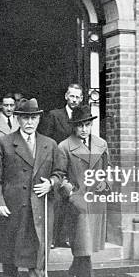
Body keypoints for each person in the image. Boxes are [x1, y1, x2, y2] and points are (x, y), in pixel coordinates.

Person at [0, 98, 69, 277]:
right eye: (25, 118)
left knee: (38, 253)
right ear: (17, 118)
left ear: (39, 118)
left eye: (33, 117)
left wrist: (51, 183)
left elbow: (60, 173)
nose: (29, 122)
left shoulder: (50, 144)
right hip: (13, 207)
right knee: (10, 250)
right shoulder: (3, 143)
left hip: (40, 208)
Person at [57, 105, 108, 277]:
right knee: (83, 241)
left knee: (85, 242)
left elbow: (106, 170)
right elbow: (60, 175)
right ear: (73, 127)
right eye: (80, 126)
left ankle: (73, 272)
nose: (84, 129)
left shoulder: (101, 144)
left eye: (87, 124)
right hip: (78, 200)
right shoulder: (64, 147)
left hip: (96, 199)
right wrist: (70, 194)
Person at [40, 83, 84, 248]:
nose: (74, 100)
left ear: (81, 99)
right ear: (66, 96)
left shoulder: (83, 118)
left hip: (75, 165)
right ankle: (51, 238)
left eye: (77, 97)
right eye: (71, 96)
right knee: (56, 202)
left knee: (71, 201)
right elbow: (46, 140)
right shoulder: (54, 115)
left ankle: (64, 237)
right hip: (58, 164)